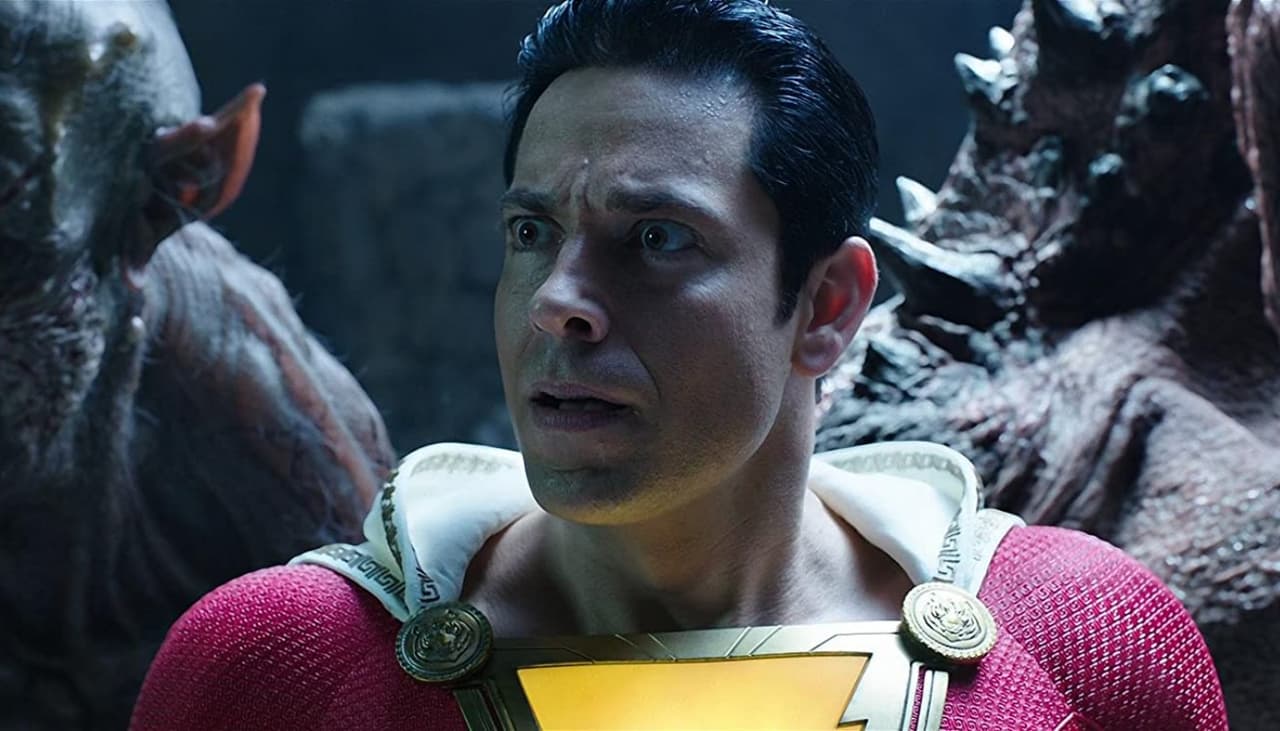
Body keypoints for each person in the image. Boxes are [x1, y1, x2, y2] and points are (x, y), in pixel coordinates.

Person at [130, 1, 1228, 729]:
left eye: (656, 239)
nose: (558, 300)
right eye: (530, 233)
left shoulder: (1087, 643)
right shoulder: (274, 668)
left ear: (826, 306)